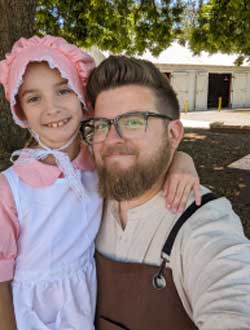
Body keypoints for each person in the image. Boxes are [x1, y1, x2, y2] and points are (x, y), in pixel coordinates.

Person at [0, 36, 199, 330]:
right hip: (31, 312)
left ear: (83, 101)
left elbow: (144, 159)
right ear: (21, 112)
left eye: (63, 91)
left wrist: (182, 160)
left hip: (86, 303)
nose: (51, 108)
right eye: (34, 98)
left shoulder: (98, 163)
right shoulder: (11, 188)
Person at [81, 55, 250, 330]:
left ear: (173, 134)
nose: (112, 139)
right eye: (101, 125)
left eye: (134, 122)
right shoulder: (82, 202)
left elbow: (233, 297)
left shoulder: (203, 223)